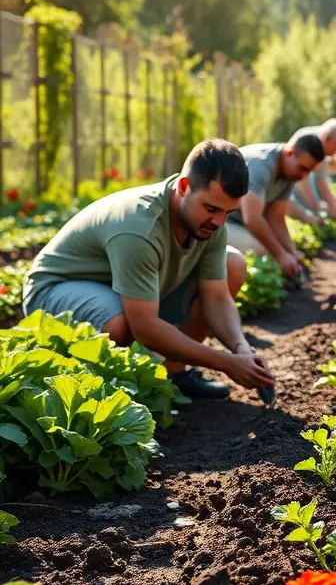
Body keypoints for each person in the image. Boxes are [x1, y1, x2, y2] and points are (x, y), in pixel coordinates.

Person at [23, 139, 275, 401]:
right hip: (56, 290)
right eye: (211, 209)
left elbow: (217, 297)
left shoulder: (210, 222)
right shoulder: (139, 225)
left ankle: (174, 376)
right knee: (118, 323)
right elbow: (144, 326)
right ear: (184, 187)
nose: (219, 222)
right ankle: (99, 393)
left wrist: (241, 349)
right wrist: (225, 363)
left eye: (227, 212)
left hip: (125, 289)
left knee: (231, 264)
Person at [225, 133, 325, 279]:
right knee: (262, 250)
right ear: (289, 153)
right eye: (302, 168)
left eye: (309, 171)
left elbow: (276, 218)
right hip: (220, 222)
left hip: (238, 223)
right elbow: (252, 220)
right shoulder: (259, 165)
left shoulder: (289, 173)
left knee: (279, 252)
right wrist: (281, 255)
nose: (304, 177)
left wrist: (291, 253)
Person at [292, 118, 336, 222]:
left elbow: (321, 181)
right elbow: (301, 183)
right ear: (328, 140)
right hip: (290, 192)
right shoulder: (308, 143)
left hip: (304, 188)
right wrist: (318, 209)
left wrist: (334, 207)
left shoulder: (322, 144)